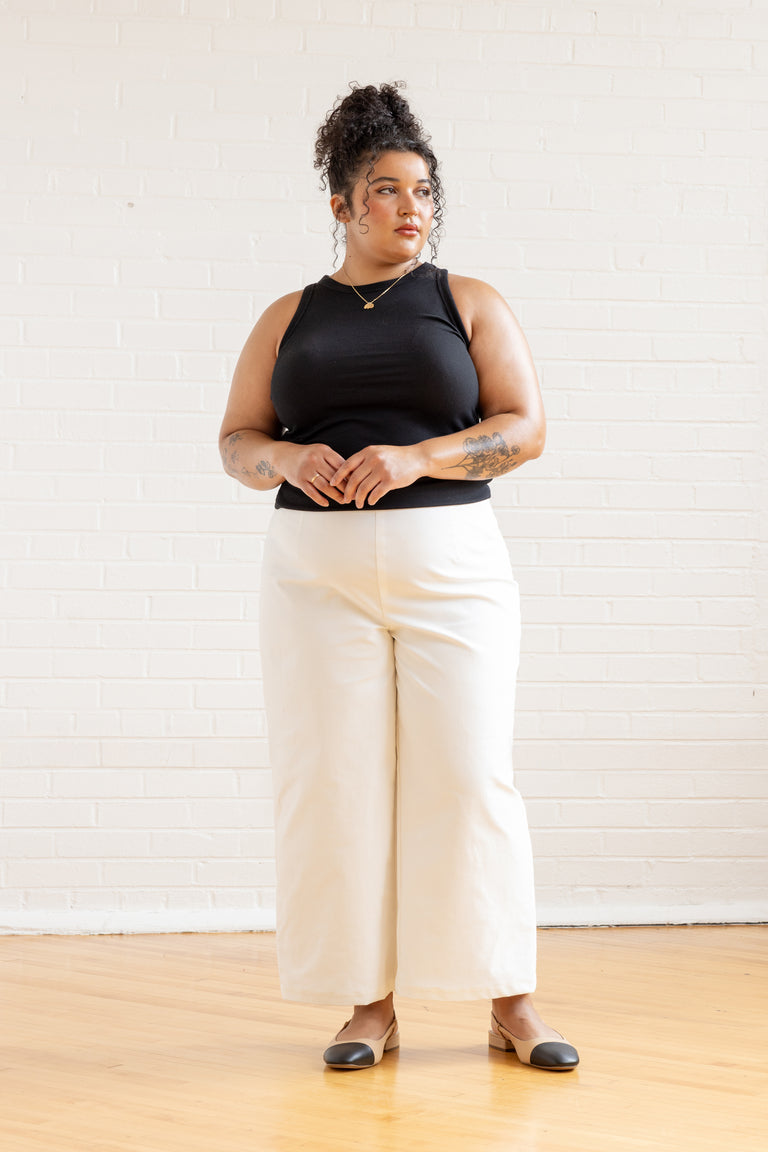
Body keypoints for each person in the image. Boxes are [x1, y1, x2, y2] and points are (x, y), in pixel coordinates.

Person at [219, 82, 579, 1073]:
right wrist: (286, 461)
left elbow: (524, 429)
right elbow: (238, 441)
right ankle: (367, 1007)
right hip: (312, 576)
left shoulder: (467, 302)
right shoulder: (289, 316)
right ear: (340, 204)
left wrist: (419, 458)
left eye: (422, 189)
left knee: (471, 777)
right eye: (384, 189)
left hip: (450, 567)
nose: (411, 206)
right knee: (333, 783)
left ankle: (512, 1002)